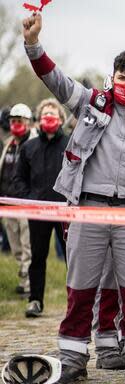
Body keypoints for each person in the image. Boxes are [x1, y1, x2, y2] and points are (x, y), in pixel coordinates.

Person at [23, 12, 125, 383]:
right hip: (88, 209)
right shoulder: (91, 102)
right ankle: (74, 360)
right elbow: (54, 80)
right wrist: (33, 44)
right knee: (80, 290)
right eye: (122, 77)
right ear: (114, 77)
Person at [12, 98, 69, 318]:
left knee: (72, 258)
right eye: (45, 113)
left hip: (66, 211)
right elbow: (19, 178)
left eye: (53, 113)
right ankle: (35, 300)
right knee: (37, 257)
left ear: (61, 119)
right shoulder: (29, 147)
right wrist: (29, 198)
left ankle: (76, 302)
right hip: (38, 212)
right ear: (38, 118)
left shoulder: (70, 144)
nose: (49, 117)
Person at [0, 103, 36, 296]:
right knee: (15, 246)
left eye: (19, 121)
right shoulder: (9, 145)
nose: (16, 124)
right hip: (8, 202)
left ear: (28, 122)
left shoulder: (34, 144)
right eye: (13, 121)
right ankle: (23, 281)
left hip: (26, 203)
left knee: (27, 244)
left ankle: (30, 285)